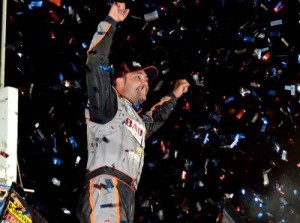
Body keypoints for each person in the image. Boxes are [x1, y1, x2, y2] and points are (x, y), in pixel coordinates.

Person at [76, 2, 190, 223]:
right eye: (138, 76)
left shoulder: (135, 121)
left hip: (127, 192)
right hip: (106, 186)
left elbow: (156, 117)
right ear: (118, 81)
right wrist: (110, 22)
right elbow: (95, 61)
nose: (145, 82)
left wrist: (174, 95)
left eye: (147, 79)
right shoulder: (107, 104)